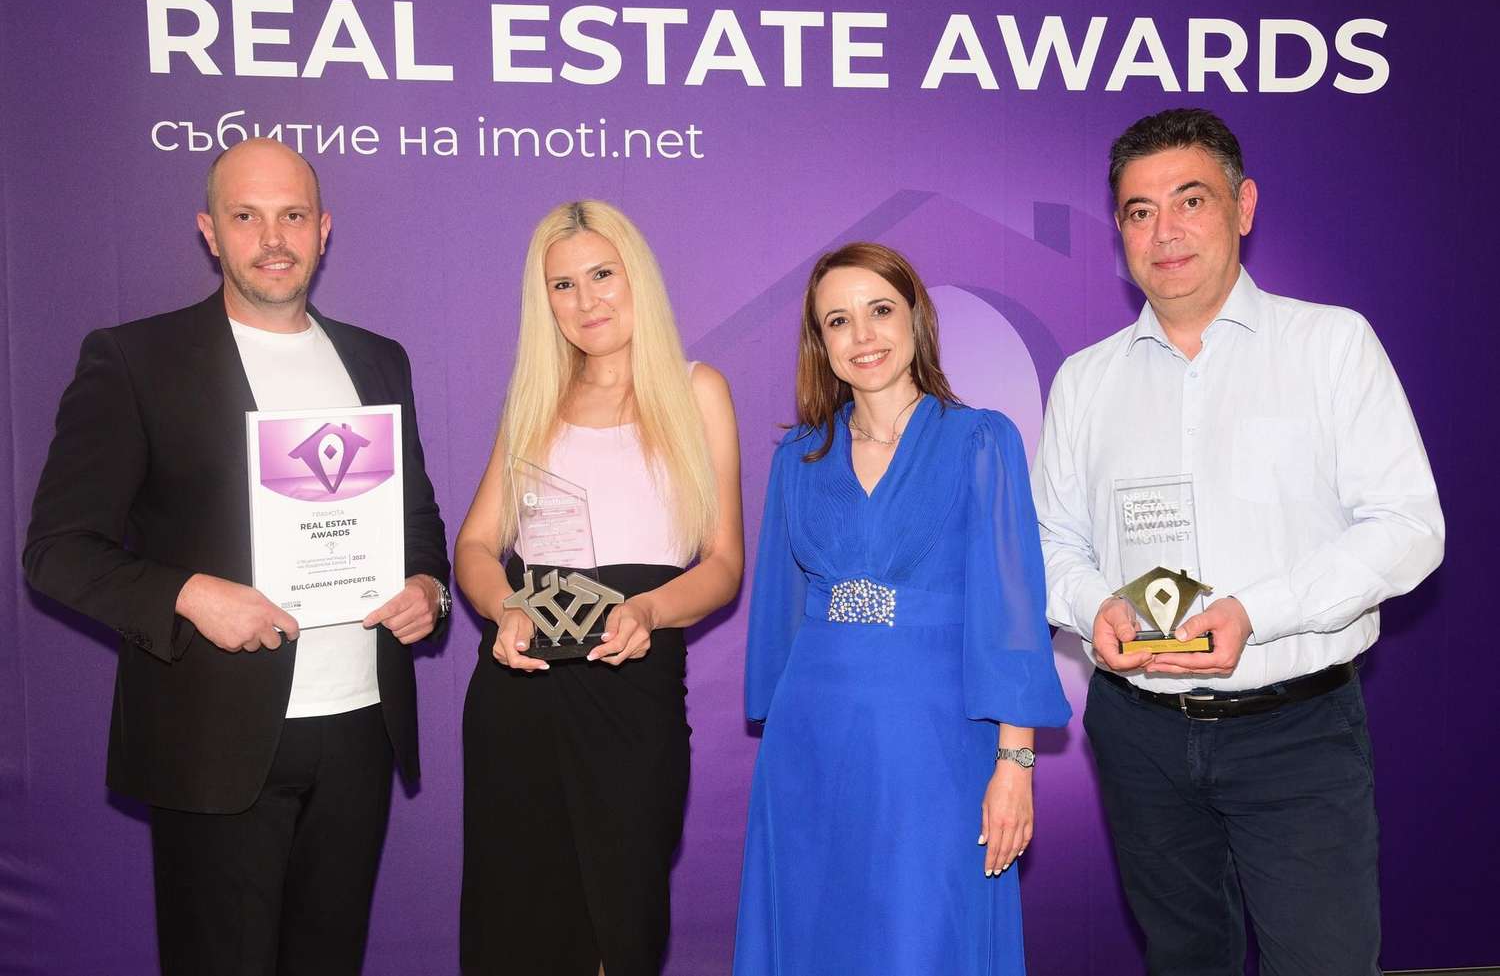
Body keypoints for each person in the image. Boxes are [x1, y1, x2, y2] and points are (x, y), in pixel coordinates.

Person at [22, 138, 451, 975]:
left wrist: (429, 588)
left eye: (293, 215)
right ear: (209, 231)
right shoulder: (136, 360)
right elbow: (57, 550)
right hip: (214, 740)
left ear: (323, 229)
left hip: (359, 730)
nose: (273, 239)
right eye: (246, 216)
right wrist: (189, 594)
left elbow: (416, 517)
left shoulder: (378, 359)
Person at [1031, 108, 1444, 975]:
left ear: (1243, 205)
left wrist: (1258, 610)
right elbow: (1049, 539)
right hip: (1139, 730)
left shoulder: (1331, 345)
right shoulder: (1085, 380)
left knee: (1325, 963)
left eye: (1191, 200)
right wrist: (1092, 603)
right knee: (1185, 959)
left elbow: (1409, 527)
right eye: (1139, 211)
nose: (1164, 232)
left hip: (1295, 727)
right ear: (1119, 230)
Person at [733, 242, 1071, 975]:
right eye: (838, 321)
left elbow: (1013, 615)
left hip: (937, 742)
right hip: (811, 744)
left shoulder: (980, 440)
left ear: (916, 317)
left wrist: (1015, 763)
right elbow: (779, 619)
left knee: (923, 939)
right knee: (816, 936)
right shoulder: (799, 456)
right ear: (820, 343)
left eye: (880, 310)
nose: (863, 335)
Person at [454, 199, 743, 976]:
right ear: (543, 301)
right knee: (520, 933)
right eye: (563, 285)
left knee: (622, 929)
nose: (586, 300)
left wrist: (649, 608)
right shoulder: (534, 403)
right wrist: (503, 605)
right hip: (521, 696)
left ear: (636, 275)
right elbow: (475, 545)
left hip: (633, 692)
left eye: (602, 274)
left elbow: (723, 563)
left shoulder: (698, 390)